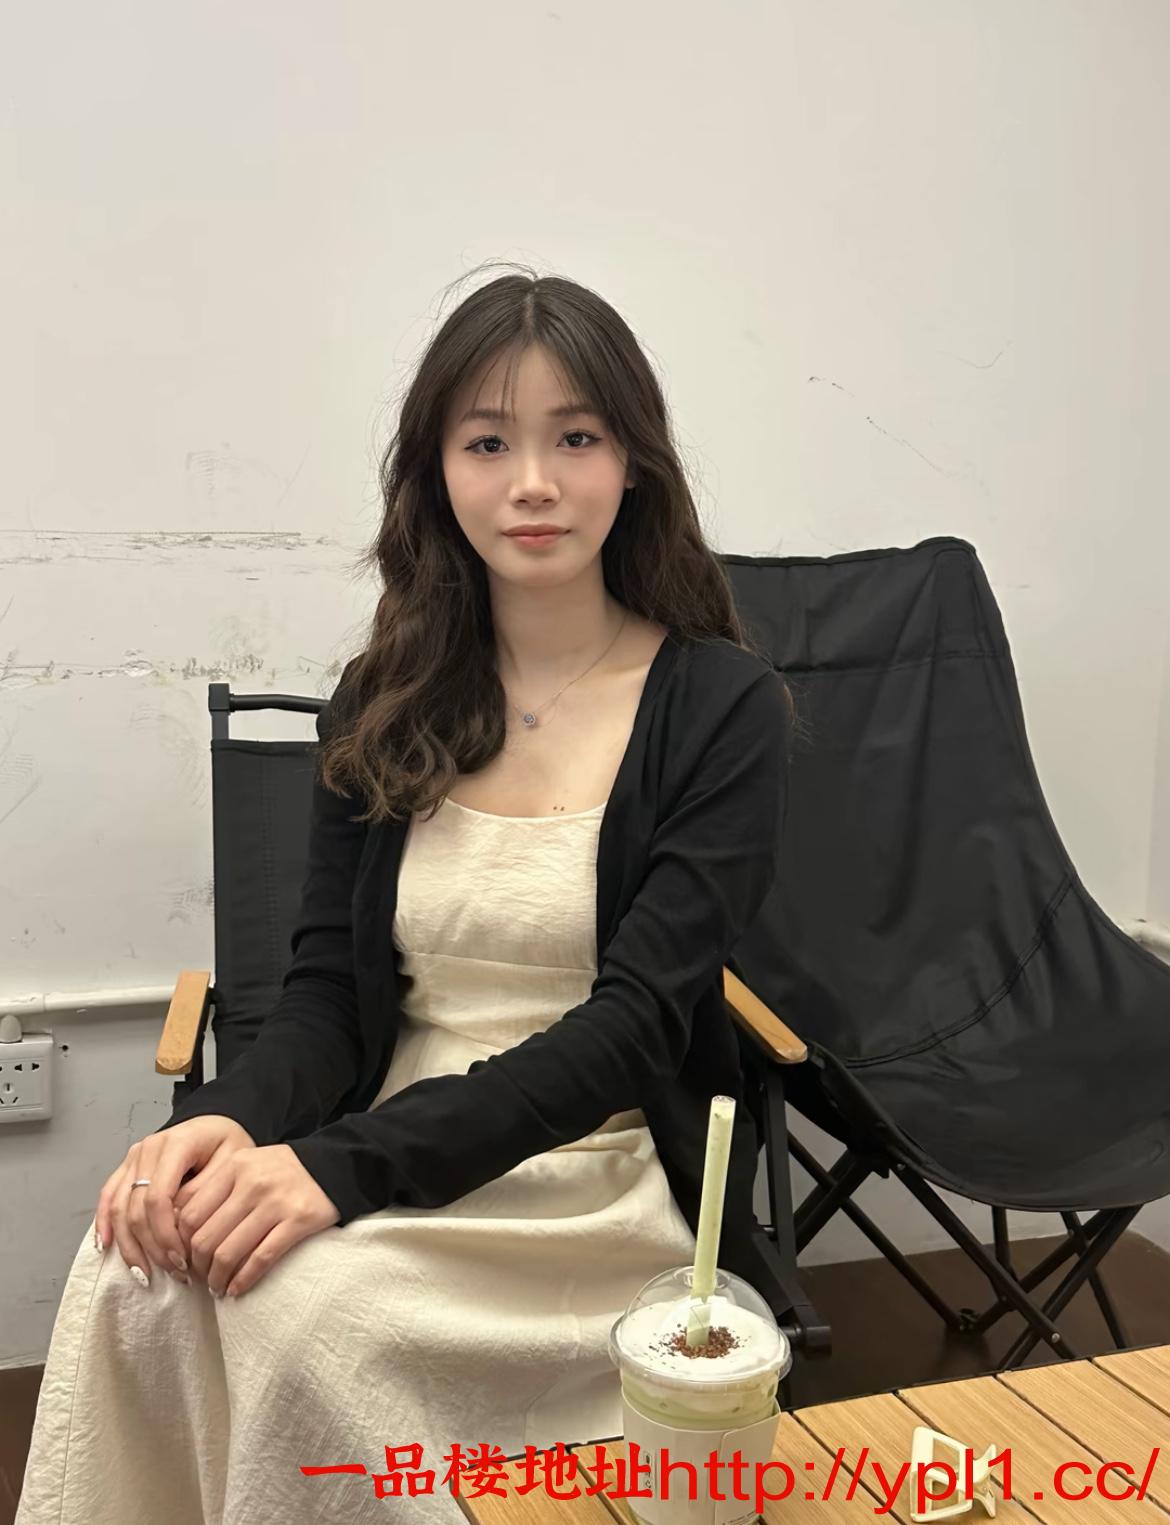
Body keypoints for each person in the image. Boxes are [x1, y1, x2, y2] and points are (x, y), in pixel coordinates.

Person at [17, 263, 793, 1524]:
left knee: (299, 1312)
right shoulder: (385, 699)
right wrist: (226, 1119)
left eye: (575, 437)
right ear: (436, 471)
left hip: (591, 1180)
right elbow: (326, 995)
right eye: (487, 441)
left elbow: (637, 1026)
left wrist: (335, 1171)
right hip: (381, 1135)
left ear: (633, 463)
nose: (532, 482)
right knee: (136, 1267)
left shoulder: (721, 707)